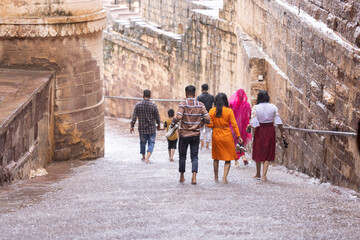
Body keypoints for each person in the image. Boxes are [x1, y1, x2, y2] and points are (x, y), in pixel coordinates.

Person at [172, 85, 210, 184]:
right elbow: (208, 118)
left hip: (184, 134)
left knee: (182, 156)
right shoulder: (200, 104)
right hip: (195, 134)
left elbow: (179, 116)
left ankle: (182, 176)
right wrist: (201, 122)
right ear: (194, 94)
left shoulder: (183, 104)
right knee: (194, 156)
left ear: (186, 94)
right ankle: (194, 178)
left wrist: (174, 121)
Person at [246, 90, 285, 182]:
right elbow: (278, 122)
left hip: (260, 130)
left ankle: (258, 173)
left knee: (258, 151)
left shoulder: (256, 108)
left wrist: (248, 126)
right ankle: (264, 175)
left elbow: (254, 122)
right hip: (270, 130)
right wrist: (282, 132)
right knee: (268, 151)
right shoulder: (273, 107)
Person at [207, 93, 243, 183]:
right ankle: (224, 178)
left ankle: (216, 177)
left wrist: (208, 122)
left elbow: (210, 125)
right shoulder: (229, 111)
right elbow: (234, 124)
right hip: (227, 135)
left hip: (216, 134)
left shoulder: (211, 111)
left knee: (216, 157)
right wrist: (239, 136)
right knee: (228, 157)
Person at [130, 90, 161, 163]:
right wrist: (158, 125)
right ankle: (147, 158)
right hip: (151, 129)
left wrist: (132, 126)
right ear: (150, 96)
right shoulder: (153, 105)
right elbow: (157, 117)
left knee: (142, 143)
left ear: (143, 96)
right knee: (151, 142)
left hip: (142, 128)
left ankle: (143, 157)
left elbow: (134, 117)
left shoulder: (138, 105)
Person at [229, 89, 252, 167]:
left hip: (235, 127)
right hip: (244, 127)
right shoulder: (247, 105)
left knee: (235, 143)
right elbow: (250, 115)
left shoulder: (233, 104)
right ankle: (243, 156)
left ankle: (236, 162)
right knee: (242, 142)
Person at [197, 83, 215, 149]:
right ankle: (207, 145)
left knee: (200, 129)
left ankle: (202, 143)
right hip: (209, 115)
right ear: (207, 89)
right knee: (208, 130)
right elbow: (213, 106)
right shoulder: (212, 97)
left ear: (201, 89)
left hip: (201, 115)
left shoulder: (199, 97)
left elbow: (198, 107)